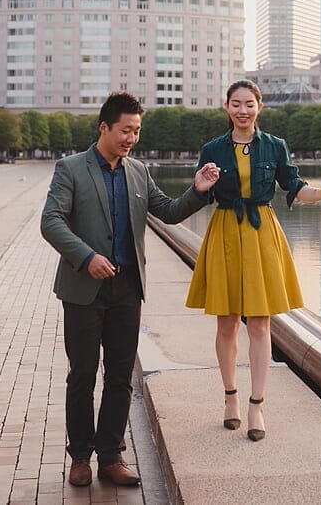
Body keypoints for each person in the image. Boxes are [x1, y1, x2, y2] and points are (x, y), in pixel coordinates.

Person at [41, 91, 220, 488]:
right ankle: (80, 457)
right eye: (126, 130)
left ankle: (111, 457)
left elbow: (169, 212)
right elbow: (51, 221)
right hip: (83, 289)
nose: (131, 138)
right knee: (82, 375)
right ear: (103, 127)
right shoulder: (70, 168)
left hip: (127, 288)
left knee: (120, 375)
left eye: (137, 131)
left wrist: (199, 190)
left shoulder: (138, 171)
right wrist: (86, 257)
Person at [185, 80, 321, 442]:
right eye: (236, 104)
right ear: (226, 107)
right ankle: (230, 399)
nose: (243, 110)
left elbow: (293, 183)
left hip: (260, 232)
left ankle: (257, 405)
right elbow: (199, 192)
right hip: (224, 229)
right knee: (226, 324)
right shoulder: (211, 149)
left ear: (259, 108)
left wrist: (320, 193)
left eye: (249, 104)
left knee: (259, 323)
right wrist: (199, 186)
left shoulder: (275, 146)